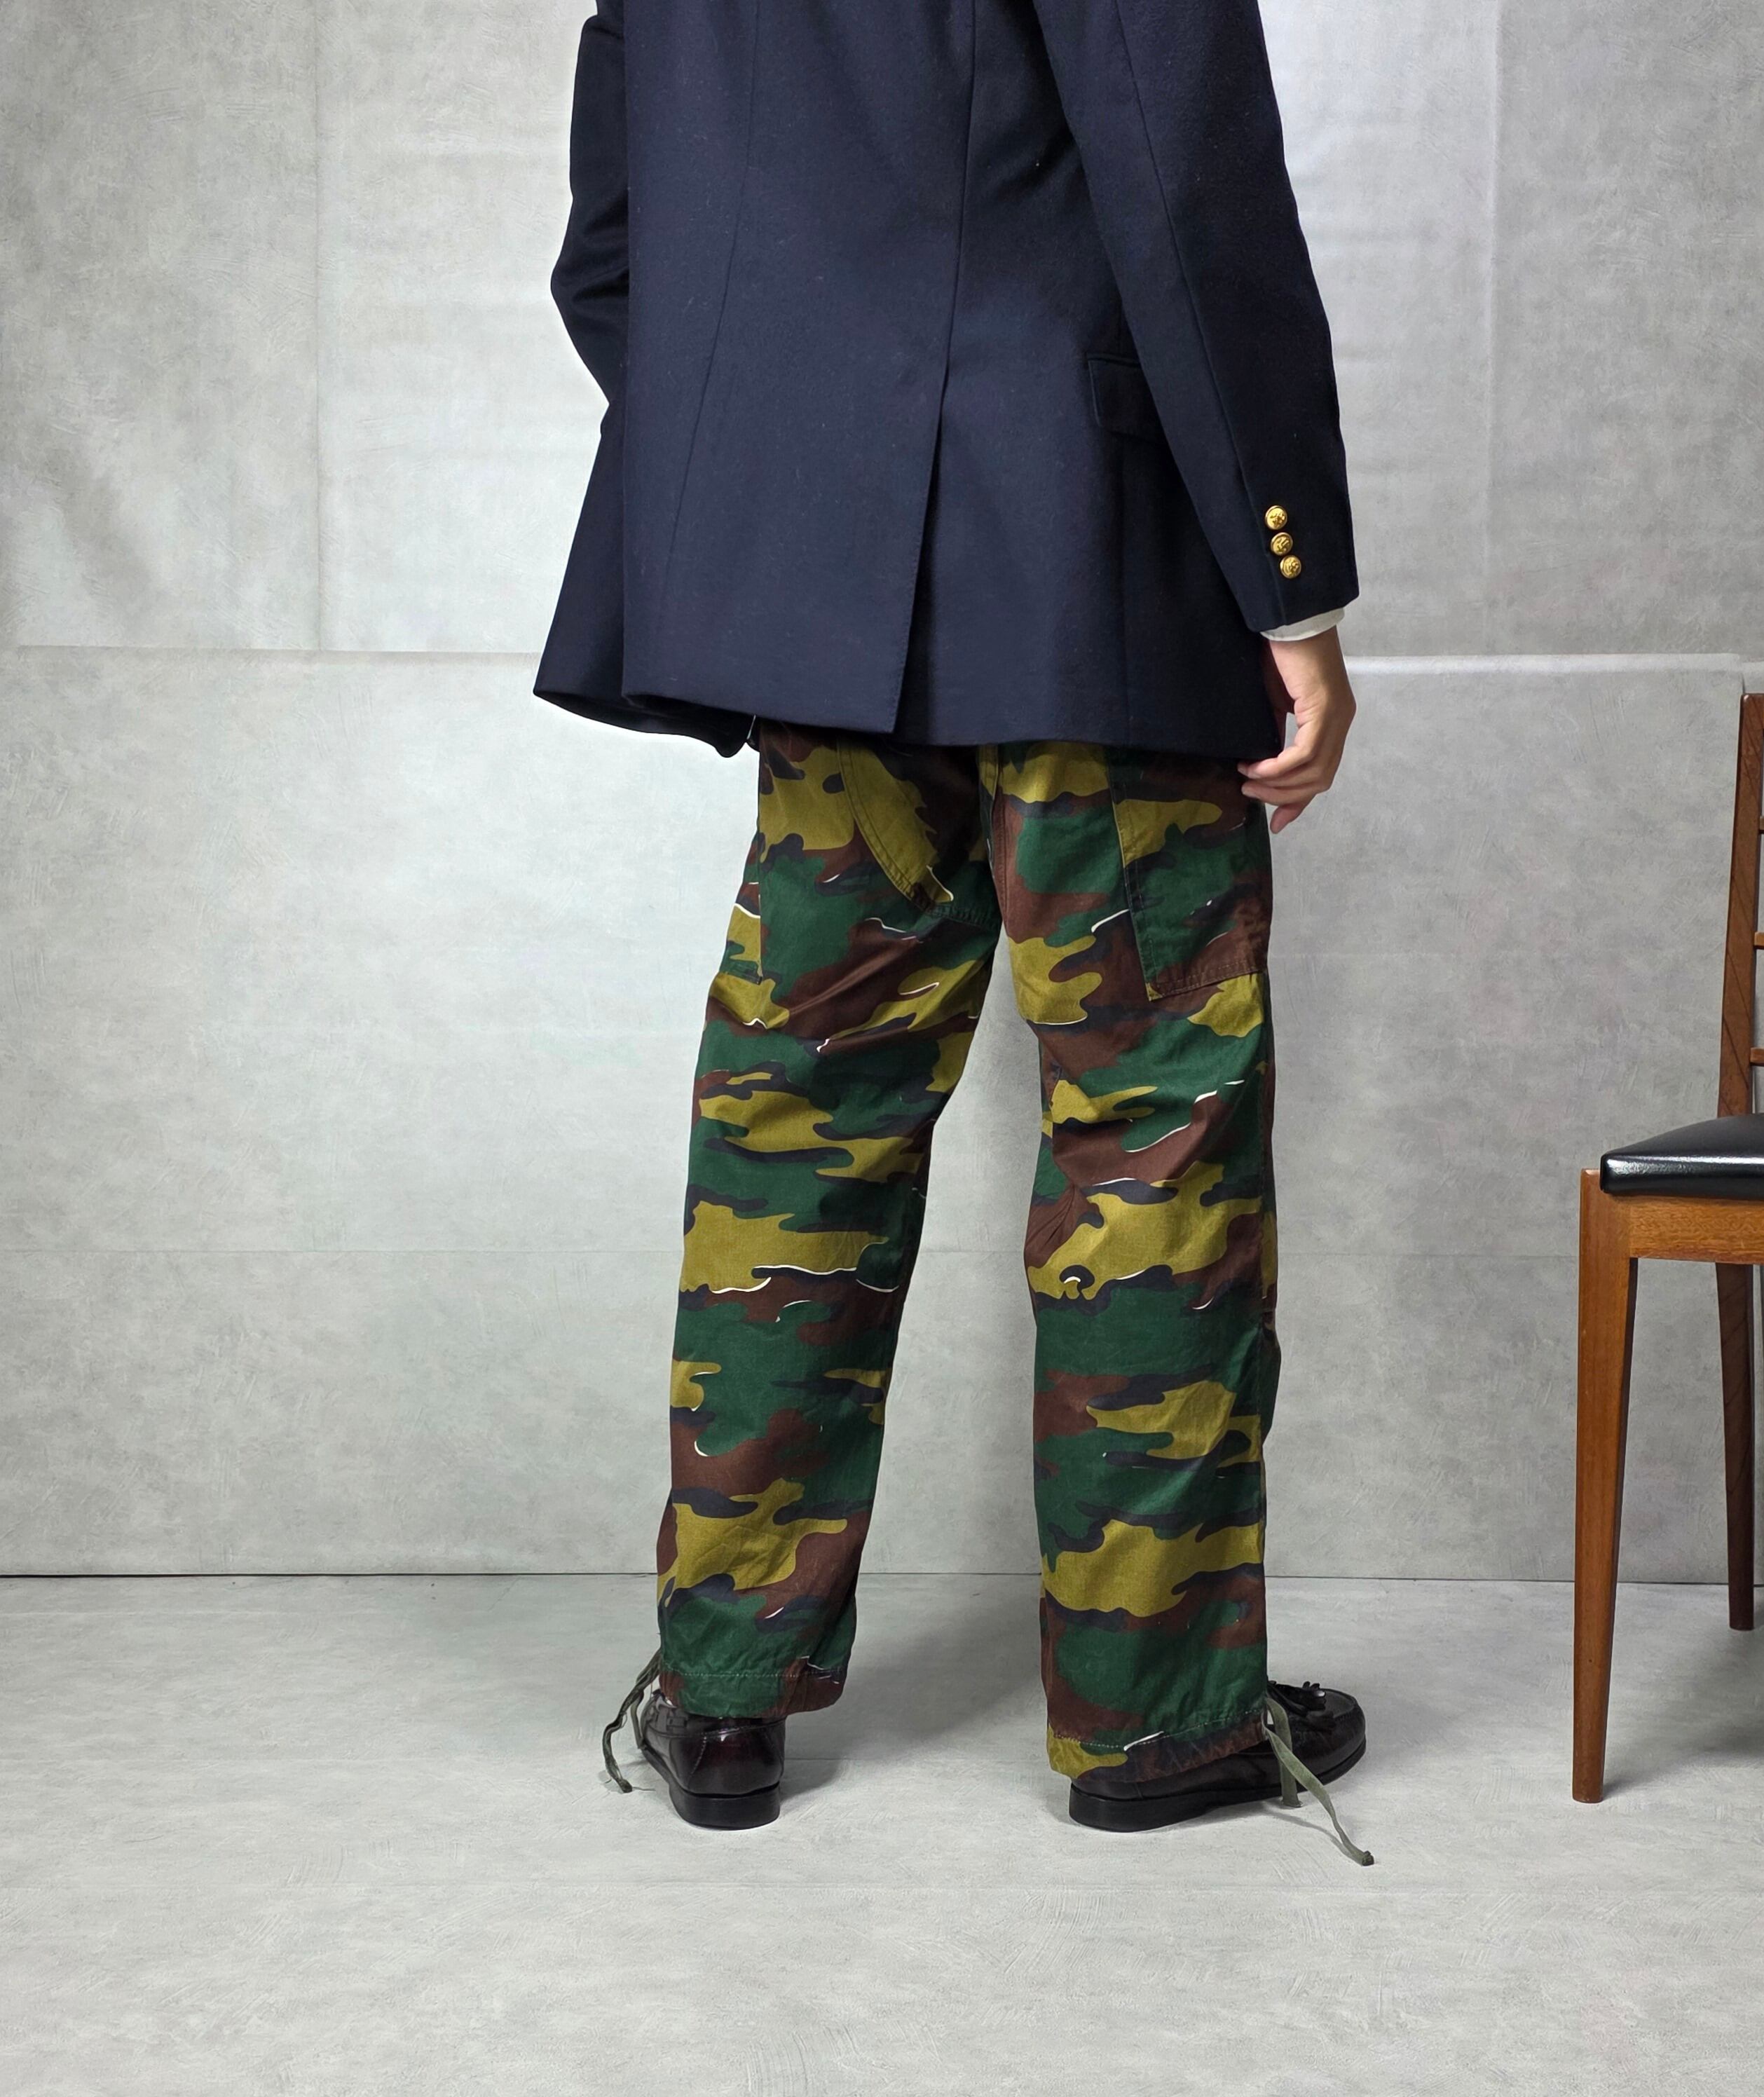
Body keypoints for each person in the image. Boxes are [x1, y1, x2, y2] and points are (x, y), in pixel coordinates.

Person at [540, 0, 1369, 1864]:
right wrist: (1291, 581)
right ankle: (1159, 1723)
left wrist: (790, 452)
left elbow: (614, 245)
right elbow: (1186, 180)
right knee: (1151, 1130)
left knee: (795, 1131)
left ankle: (726, 1691)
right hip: (1088, 563)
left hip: (820, 603)